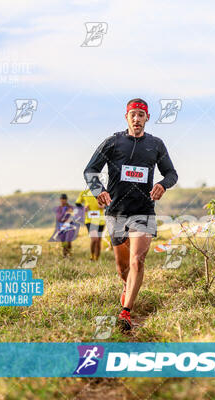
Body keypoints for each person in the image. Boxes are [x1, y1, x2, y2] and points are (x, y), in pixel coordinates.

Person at [84, 98, 178, 331]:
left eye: (141, 115)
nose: (137, 119)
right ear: (126, 117)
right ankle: (127, 285)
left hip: (143, 210)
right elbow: (90, 170)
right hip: (116, 211)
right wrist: (99, 191)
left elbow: (172, 173)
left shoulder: (155, 144)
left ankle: (126, 312)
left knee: (138, 260)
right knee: (122, 267)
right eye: (133, 114)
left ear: (147, 118)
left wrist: (163, 185)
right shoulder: (113, 142)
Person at [75, 189, 106, 261]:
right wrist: (83, 208)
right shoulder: (84, 192)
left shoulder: (101, 192)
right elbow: (77, 203)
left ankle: (96, 258)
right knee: (94, 239)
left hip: (100, 220)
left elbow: (109, 202)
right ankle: (92, 257)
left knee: (98, 240)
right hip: (90, 220)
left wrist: (104, 206)